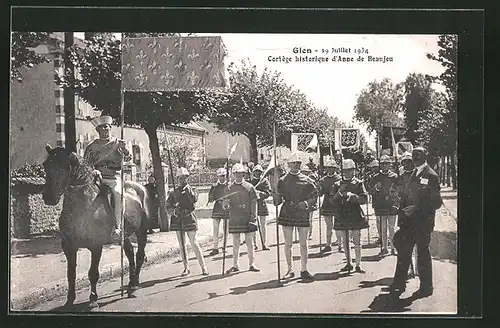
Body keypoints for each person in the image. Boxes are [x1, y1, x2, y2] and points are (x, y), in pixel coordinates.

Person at [389, 146, 442, 298]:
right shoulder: (413, 173)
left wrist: (417, 208)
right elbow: (408, 196)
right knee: (403, 252)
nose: (415, 157)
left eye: (418, 154)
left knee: (422, 254)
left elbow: (436, 203)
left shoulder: (431, 175)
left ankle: (426, 287)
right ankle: (399, 283)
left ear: (425, 155)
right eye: (414, 154)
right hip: (409, 222)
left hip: (423, 223)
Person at [84, 115, 132, 240]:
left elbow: (128, 159)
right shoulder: (91, 147)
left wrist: (125, 150)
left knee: (118, 194)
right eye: (101, 128)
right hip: (96, 178)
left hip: (113, 177)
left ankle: (117, 226)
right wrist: (93, 171)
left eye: (107, 127)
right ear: (97, 130)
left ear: (110, 128)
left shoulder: (118, 143)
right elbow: (86, 165)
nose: (105, 129)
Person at [273, 152, 318, 280]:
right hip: (287, 211)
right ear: (289, 164)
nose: (296, 165)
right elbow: (278, 200)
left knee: (303, 243)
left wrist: (306, 203)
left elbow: (315, 195)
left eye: (298, 163)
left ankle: (304, 269)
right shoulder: (282, 180)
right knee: (288, 243)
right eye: (294, 163)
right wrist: (275, 196)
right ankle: (289, 269)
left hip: (302, 212)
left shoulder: (307, 180)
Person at [166, 167, 208, 276]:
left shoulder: (193, 189)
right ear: (177, 179)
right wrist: (174, 211)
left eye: (184, 178)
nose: (182, 180)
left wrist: (187, 191)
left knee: (194, 242)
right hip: (178, 218)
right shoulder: (173, 192)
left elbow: (194, 200)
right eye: (180, 178)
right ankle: (186, 268)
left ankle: (203, 267)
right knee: (181, 244)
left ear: (188, 178)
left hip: (189, 217)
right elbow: (167, 206)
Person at [332, 159, 369, 273]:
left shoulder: (358, 183)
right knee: (345, 241)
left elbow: (364, 199)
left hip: (355, 214)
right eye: (346, 170)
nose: (348, 173)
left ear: (354, 171)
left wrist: (353, 196)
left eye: (350, 170)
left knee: (357, 240)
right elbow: (332, 200)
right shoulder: (337, 184)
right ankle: (348, 263)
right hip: (342, 214)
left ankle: (358, 263)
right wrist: (339, 192)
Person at [223, 163, 261, 273]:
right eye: (236, 173)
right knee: (235, 243)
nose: (239, 175)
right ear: (233, 174)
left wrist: (253, 218)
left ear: (244, 174)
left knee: (249, 242)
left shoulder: (250, 187)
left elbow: (254, 204)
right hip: (235, 218)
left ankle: (251, 263)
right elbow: (226, 205)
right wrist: (225, 205)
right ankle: (235, 265)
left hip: (247, 217)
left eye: (241, 173)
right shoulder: (229, 188)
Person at [367, 155, 399, 256]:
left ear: (390, 165)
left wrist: (397, 200)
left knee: (392, 228)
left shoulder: (394, 176)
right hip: (380, 205)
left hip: (391, 205)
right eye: (382, 164)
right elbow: (369, 191)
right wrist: (376, 188)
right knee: (383, 228)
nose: (384, 165)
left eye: (386, 163)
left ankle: (394, 248)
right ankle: (384, 248)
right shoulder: (376, 177)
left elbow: (399, 190)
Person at [396, 151, 418, 278]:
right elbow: (396, 193)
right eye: (405, 162)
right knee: (406, 241)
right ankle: (410, 268)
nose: (407, 165)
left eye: (409, 162)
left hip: (416, 211)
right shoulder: (400, 177)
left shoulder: (418, 175)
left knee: (418, 241)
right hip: (404, 212)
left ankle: (418, 267)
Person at [318, 160, 344, 252]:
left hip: (337, 203)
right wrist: (319, 188)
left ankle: (340, 244)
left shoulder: (340, 178)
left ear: (335, 168)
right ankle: (328, 244)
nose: (330, 169)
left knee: (338, 225)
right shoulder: (322, 180)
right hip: (327, 203)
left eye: (332, 168)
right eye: (328, 167)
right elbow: (320, 194)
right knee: (329, 225)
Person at [207, 167, 229, 256]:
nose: (222, 178)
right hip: (217, 208)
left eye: (223, 176)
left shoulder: (229, 185)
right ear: (217, 176)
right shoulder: (214, 186)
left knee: (226, 229)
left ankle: (224, 246)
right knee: (215, 228)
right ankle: (215, 248)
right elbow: (211, 199)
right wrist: (212, 194)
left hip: (227, 208)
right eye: (220, 176)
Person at [250, 165, 272, 251]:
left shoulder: (264, 181)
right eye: (256, 171)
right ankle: (254, 244)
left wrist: (259, 194)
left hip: (261, 204)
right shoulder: (250, 182)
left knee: (263, 225)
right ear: (253, 172)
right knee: (253, 224)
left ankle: (264, 243)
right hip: (252, 204)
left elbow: (267, 193)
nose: (257, 173)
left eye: (259, 172)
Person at [366, 159, 381, 244]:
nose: (374, 169)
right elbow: (368, 188)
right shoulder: (371, 177)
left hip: (384, 201)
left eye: (375, 167)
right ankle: (381, 236)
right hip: (376, 200)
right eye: (373, 167)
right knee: (378, 220)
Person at [302, 166, 319, 240]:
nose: (305, 173)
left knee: (309, 220)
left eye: (306, 172)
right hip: (302, 202)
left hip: (310, 202)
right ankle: (303, 234)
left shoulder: (311, 181)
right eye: (303, 172)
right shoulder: (300, 180)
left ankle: (310, 234)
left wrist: (313, 202)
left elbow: (315, 193)